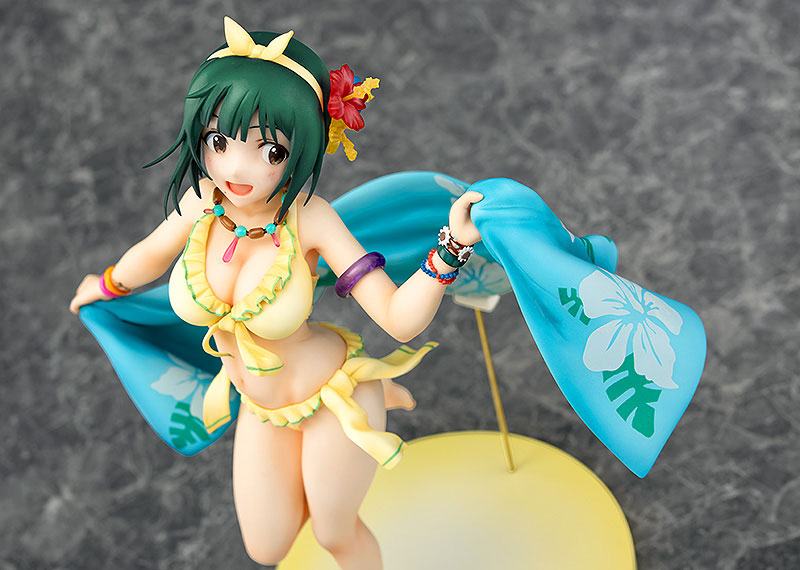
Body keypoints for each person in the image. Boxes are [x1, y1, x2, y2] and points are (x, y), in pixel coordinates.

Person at [70, 16, 707, 570]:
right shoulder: (200, 206)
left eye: (268, 150)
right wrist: (103, 288)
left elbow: (400, 319)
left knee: (334, 532)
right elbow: (146, 257)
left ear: (301, 150)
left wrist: (451, 247)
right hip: (261, 408)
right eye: (219, 142)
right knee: (266, 547)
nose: (238, 168)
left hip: (333, 401)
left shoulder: (310, 220)